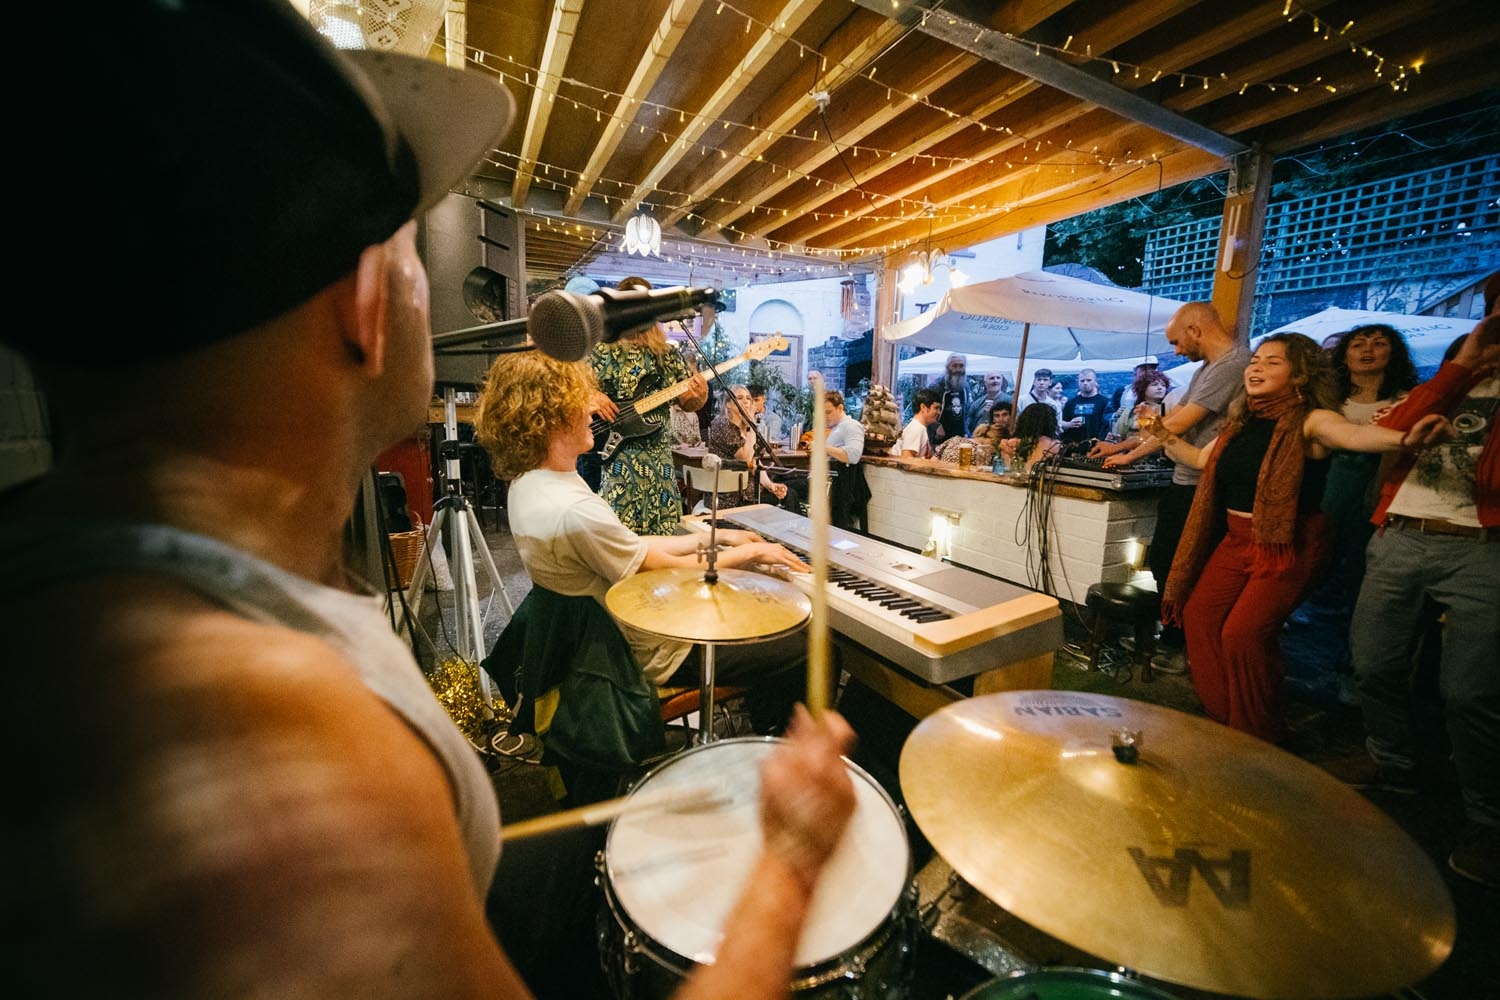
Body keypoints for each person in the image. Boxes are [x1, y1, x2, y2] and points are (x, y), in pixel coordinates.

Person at [0, 5, 858, 998]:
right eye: (413, 250)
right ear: (369, 304)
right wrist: (790, 860)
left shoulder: (62, 574)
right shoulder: (274, 751)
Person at [1138, 334, 1452, 745]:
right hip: (1236, 539)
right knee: (1198, 616)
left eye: (1272, 363)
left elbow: (1355, 437)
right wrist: (1161, 433)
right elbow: (1199, 459)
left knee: (1243, 635)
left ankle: (1256, 735)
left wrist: (1405, 439)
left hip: (1289, 541)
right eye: (1256, 361)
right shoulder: (1240, 424)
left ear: (1300, 375)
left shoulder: (1312, 419)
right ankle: (1224, 716)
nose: (1256, 368)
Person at [479, 352, 810, 734]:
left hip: (607, 633)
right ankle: (772, 749)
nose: (592, 412)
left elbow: (630, 545)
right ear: (550, 419)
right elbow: (663, 567)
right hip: (645, 651)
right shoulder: (572, 510)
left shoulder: (531, 484)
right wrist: (751, 552)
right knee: (801, 649)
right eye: (580, 402)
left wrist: (721, 537)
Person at [1344, 277, 1500, 888]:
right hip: (1403, 534)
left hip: (1483, 548)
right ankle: (1393, 764)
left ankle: (1486, 816)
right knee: (1374, 663)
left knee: (1470, 692)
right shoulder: (1448, 383)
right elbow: (1396, 425)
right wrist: (1462, 367)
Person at [1101, 302, 1251, 676]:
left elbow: (1177, 424)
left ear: (1195, 329)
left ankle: (1180, 646)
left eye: (1176, 341)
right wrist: (1122, 449)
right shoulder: (1206, 369)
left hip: (1206, 486)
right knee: (1167, 560)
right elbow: (1166, 425)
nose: (1176, 350)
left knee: (1183, 565)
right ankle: (1172, 638)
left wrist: (1131, 454)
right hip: (1183, 479)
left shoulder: (1232, 365)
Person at [1296, 324, 1420, 695]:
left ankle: (1351, 666)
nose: (1367, 350)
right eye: (1358, 344)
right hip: (1327, 488)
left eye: (1379, 343)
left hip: (1380, 492)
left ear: (1393, 353)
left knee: (1361, 578)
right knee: (1315, 565)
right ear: (1344, 354)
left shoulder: (1407, 400)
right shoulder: (1329, 399)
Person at [588, 275, 709, 534]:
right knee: (619, 538)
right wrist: (591, 396)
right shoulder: (598, 350)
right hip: (616, 456)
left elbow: (687, 402)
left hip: (659, 460)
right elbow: (570, 389)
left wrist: (700, 395)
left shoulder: (665, 354)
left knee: (663, 534)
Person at [705, 384, 790, 508]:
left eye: (748, 398)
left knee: (788, 494)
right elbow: (745, 459)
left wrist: (770, 485)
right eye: (739, 398)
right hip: (730, 494)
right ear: (728, 404)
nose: (745, 401)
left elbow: (756, 464)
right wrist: (751, 425)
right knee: (789, 499)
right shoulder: (722, 425)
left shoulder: (748, 429)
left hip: (750, 490)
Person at [1094, 368, 1172, 458]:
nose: (1160, 388)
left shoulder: (1170, 410)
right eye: (1154, 385)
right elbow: (1116, 438)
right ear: (1143, 388)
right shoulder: (1128, 413)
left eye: (1163, 385)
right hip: (1131, 459)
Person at [1000, 402, 1063, 472]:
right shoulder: (1050, 443)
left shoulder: (1010, 442)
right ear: (1050, 422)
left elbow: (1005, 468)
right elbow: (1031, 469)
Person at [1060, 368, 1110, 447]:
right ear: (1078, 383)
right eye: (1082, 381)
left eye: (1089, 380)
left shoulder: (1105, 402)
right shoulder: (1071, 403)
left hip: (1096, 446)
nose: (1085, 383)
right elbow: (1061, 422)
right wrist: (1069, 424)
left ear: (1095, 381)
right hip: (1073, 446)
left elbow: (1108, 426)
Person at [934, 353, 970, 445]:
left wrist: (966, 431)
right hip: (940, 438)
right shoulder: (937, 386)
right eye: (954, 366)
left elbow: (966, 411)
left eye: (961, 366)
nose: (958, 369)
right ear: (947, 367)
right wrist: (935, 426)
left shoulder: (965, 386)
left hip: (960, 438)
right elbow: (927, 409)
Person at [894, 387, 942, 458]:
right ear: (923, 407)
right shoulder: (916, 429)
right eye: (936, 408)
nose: (939, 412)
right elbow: (907, 459)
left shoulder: (918, 427)